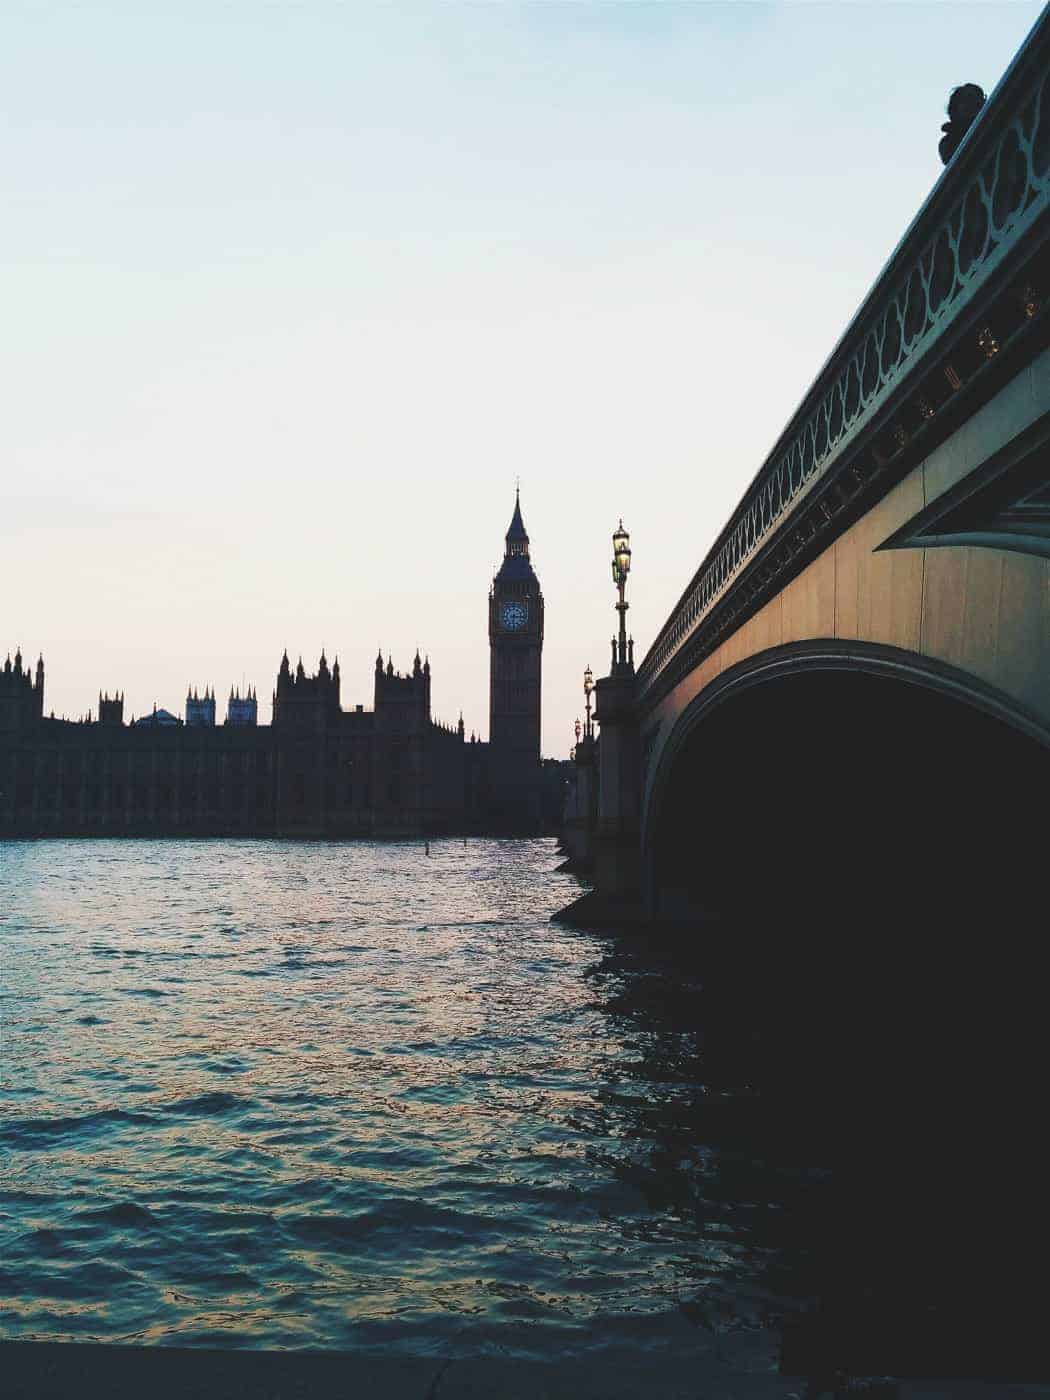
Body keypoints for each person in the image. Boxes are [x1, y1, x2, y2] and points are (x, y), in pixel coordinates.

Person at [938, 83, 986, 165]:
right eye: (968, 99)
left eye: (978, 99)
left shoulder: (991, 124)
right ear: (956, 108)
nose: (974, 103)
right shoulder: (947, 142)